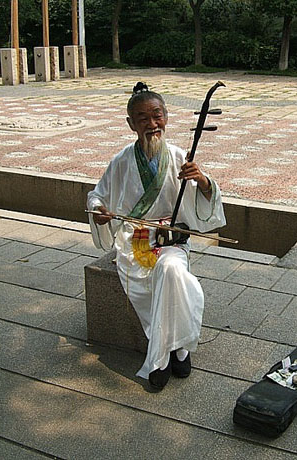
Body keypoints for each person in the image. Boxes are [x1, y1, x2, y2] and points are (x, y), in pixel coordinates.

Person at [87, 82, 226, 390]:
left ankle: (165, 357)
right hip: (136, 239)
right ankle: (178, 351)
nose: (152, 124)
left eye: (157, 115)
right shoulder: (122, 161)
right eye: (142, 118)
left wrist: (202, 180)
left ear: (166, 116)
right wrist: (99, 210)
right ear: (130, 124)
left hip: (170, 238)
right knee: (152, 277)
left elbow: (206, 197)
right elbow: (97, 195)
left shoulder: (178, 156)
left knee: (172, 270)